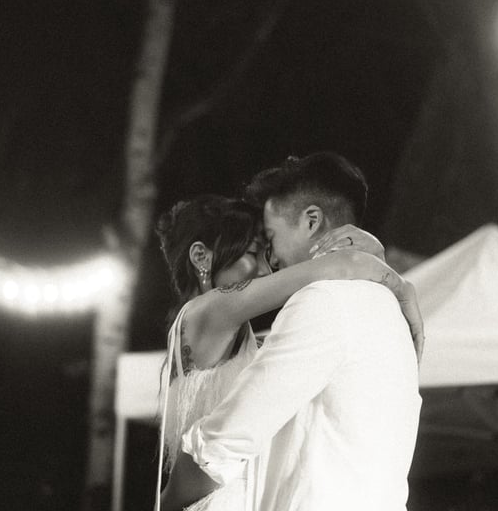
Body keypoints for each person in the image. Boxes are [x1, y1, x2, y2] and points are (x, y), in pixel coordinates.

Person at [172, 152, 423, 510]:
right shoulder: (386, 308)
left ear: (311, 221)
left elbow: (219, 446)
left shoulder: (325, 301)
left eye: (270, 240)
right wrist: (389, 274)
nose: (271, 263)